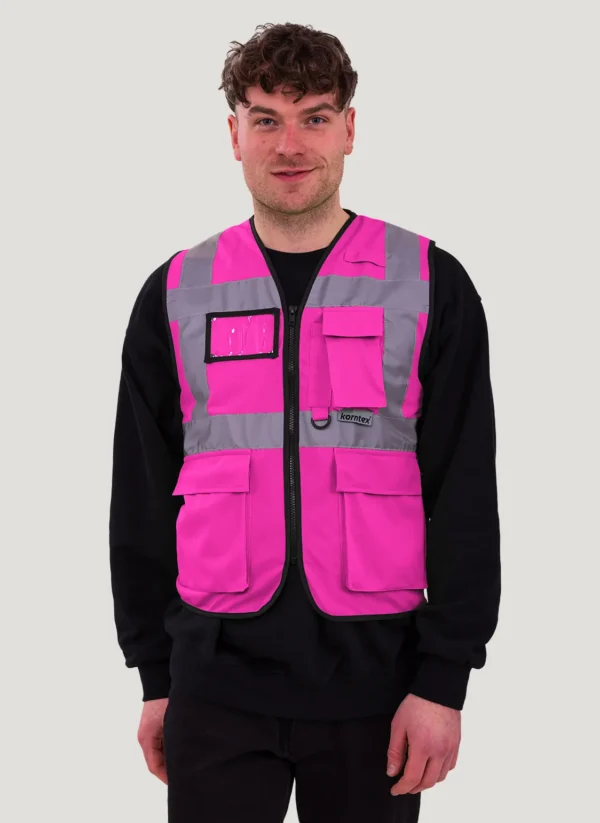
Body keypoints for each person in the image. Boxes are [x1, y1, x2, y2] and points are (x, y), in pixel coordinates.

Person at [109, 21, 501, 823]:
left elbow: (464, 492)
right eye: (266, 119)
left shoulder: (429, 282)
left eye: (314, 117)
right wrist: (155, 675)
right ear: (234, 135)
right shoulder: (176, 291)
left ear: (349, 128)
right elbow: (140, 498)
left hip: (378, 688)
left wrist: (443, 680)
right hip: (213, 686)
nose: (290, 145)